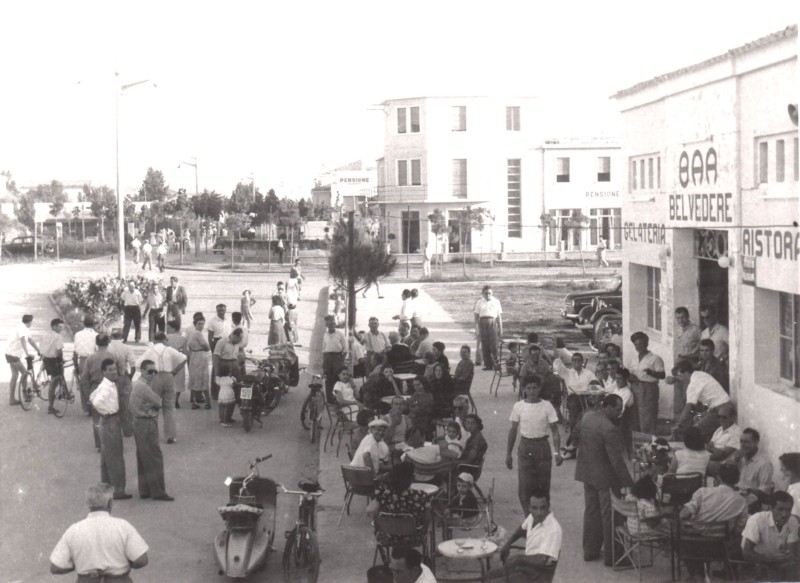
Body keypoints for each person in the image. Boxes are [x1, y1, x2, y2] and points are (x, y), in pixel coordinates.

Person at [574, 394, 633, 566]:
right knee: (611, 516)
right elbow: (616, 461)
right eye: (617, 409)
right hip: (605, 477)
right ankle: (613, 556)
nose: (619, 413)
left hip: (587, 472)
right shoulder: (609, 428)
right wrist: (629, 482)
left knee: (591, 512)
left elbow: (576, 433)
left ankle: (590, 550)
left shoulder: (588, 416)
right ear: (607, 407)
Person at [49, 482, 149, 579]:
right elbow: (142, 560)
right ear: (110, 503)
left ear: (88, 504)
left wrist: (78, 565)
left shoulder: (73, 530)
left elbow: (55, 567)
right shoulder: (123, 526)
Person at [506, 376, 562, 511]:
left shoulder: (546, 406)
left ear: (540, 388)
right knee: (525, 487)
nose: (532, 391)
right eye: (528, 388)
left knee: (543, 487)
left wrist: (557, 452)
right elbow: (513, 430)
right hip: (525, 447)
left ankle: (542, 520)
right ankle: (529, 519)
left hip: (542, 447)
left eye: (534, 388)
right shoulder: (519, 406)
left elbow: (555, 431)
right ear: (524, 389)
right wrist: (509, 454)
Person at [489, 489, 562, 582]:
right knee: (488, 576)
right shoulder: (532, 517)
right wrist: (508, 544)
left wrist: (520, 558)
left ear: (548, 506)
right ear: (529, 508)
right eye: (535, 508)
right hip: (526, 568)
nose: (539, 513)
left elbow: (543, 559)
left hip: (539, 575)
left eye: (542, 508)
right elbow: (522, 529)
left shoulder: (553, 529)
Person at [129, 360, 173, 501]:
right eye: (150, 371)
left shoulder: (139, 385)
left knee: (143, 457)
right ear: (142, 371)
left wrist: (150, 405)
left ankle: (145, 489)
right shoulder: (144, 387)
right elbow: (159, 402)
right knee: (154, 457)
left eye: (155, 371)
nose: (153, 374)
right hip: (146, 423)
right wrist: (151, 406)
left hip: (139, 422)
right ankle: (158, 491)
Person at [90, 358, 132, 499]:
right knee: (116, 457)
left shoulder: (106, 384)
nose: (114, 372)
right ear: (103, 372)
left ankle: (106, 486)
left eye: (114, 369)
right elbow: (96, 401)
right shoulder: (108, 387)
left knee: (106, 456)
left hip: (106, 421)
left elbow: (92, 397)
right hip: (111, 420)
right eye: (110, 370)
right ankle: (119, 490)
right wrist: (106, 412)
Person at [139, 332, 187, 444]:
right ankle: (170, 436)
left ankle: (152, 435)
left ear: (154, 340)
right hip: (168, 376)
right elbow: (184, 358)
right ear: (164, 340)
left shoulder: (150, 350)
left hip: (154, 377)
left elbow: (138, 364)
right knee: (169, 407)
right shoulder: (169, 350)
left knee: (153, 405)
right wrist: (175, 371)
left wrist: (146, 375)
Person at [740, 491, 799, 580]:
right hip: (757, 563)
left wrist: (787, 557)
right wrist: (772, 559)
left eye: (788, 510)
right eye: (780, 509)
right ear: (771, 508)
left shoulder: (792, 521)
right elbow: (747, 553)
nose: (784, 514)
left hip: (780, 565)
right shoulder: (757, 520)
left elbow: (790, 552)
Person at [83, 335, 128, 451]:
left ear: (96, 343)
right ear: (108, 343)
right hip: (112, 386)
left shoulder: (90, 358)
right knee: (113, 415)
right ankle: (113, 441)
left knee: (97, 419)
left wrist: (87, 395)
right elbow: (122, 372)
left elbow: (84, 378)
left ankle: (100, 444)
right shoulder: (114, 356)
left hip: (96, 387)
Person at [371, 461, 433, 543]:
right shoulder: (422, 496)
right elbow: (427, 519)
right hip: (414, 537)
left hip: (387, 536)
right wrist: (424, 529)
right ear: (412, 478)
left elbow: (371, 511)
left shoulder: (384, 493)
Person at [672, 359, 730, 441]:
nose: (680, 379)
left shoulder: (694, 383)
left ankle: (706, 445)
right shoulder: (700, 374)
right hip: (717, 408)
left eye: (680, 376)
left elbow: (689, 406)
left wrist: (679, 424)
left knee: (695, 430)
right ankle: (708, 441)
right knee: (697, 418)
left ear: (686, 373)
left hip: (722, 410)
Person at [725, 428, 774, 511]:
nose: (742, 445)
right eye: (741, 441)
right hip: (736, 497)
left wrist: (746, 491)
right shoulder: (740, 457)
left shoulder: (764, 464)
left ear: (756, 443)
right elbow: (725, 475)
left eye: (746, 442)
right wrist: (734, 461)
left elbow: (765, 493)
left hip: (752, 503)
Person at [626, 331, 665, 435]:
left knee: (647, 416)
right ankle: (638, 441)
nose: (638, 346)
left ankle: (648, 441)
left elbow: (662, 375)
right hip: (635, 388)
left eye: (641, 344)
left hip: (648, 389)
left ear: (646, 344)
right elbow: (631, 374)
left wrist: (651, 372)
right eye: (636, 344)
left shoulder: (655, 358)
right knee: (635, 416)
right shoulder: (634, 359)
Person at [671, 307, 701, 418]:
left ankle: (691, 419)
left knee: (689, 393)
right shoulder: (678, 330)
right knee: (680, 394)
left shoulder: (695, 330)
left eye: (683, 317)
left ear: (687, 317)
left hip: (690, 364)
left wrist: (695, 360)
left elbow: (701, 346)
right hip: (679, 365)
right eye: (678, 318)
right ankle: (683, 419)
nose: (680, 320)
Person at [39, 318, 66, 414]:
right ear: (53, 326)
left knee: (54, 379)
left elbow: (41, 347)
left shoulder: (45, 334)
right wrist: (61, 359)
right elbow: (59, 350)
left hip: (46, 360)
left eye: (62, 327)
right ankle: (51, 406)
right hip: (54, 360)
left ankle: (59, 393)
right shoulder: (58, 336)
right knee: (55, 381)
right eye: (59, 327)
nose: (61, 329)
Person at [473, 285, 503, 370]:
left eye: (489, 293)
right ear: (482, 293)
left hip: (492, 322)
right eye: (486, 293)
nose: (488, 295)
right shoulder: (479, 302)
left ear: (492, 293)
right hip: (482, 322)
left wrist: (501, 329)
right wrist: (476, 329)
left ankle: (496, 364)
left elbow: (499, 317)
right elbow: (476, 316)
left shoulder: (496, 301)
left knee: (493, 344)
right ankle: (488, 365)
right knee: (485, 344)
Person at [186, 313, 212, 409]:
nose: (201, 325)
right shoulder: (198, 333)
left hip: (195, 355)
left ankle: (194, 401)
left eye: (202, 323)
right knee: (202, 377)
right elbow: (207, 347)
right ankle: (207, 402)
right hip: (200, 356)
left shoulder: (194, 333)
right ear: (195, 324)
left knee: (195, 377)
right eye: (199, 324)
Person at [206, 303, 231, 399]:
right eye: (219, 310)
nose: (221, 312)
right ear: (217, 311)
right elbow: (210, 336)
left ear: (225, 310)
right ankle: (215, 392)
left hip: (227, 344)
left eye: (223, 310)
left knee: (226, 366)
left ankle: (226, 391)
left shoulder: (229, 320)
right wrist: (212, 349)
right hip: (217, 342)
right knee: (216, 367)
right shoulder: (212, 321)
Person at [73, 315, 97, 413]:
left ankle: (86, 407)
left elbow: (75, 351)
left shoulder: (77, 334)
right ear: (94, 324)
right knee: (94, 383)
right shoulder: (96, 335)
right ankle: (93, 406)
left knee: (84, 383)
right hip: (93, 360)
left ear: (83, 324)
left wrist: (75, 364)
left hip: (82, 360)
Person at [322, 315, 346, 403]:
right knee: (328, 378)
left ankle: (338, 398)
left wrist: (341, 360)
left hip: (337, 357)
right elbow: (323, 349)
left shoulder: (340, 334)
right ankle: (329, 399)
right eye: (330, 324)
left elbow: (345, 348)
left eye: (333, 323)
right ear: (326, 325)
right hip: (327, 357)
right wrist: (324, 361)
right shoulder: (324, 335)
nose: (332, 325)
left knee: (338, 378)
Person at [165, 321, 188, 409]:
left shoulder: (166, 337)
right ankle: (176, 400)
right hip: (179, 359)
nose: (167, 329)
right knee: (179, 380)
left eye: (168, 327)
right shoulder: (183, 339)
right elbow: (185, 353)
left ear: (173, 328)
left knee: (168, 380)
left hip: (168, 359)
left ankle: (169, 400)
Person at [461, 414, 488, 479]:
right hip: (468, 466)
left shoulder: (477, 440)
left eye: (472, 423)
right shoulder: (473, 437)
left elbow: (470, 459)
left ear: (477, 425)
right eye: (467, 423)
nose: (469, 425)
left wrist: (455, 462)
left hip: (469, 469)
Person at [779, 453, 800, 519]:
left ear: (790, 473)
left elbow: (794, 517)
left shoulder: (794, 492)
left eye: (783, 471)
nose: (782, 476)